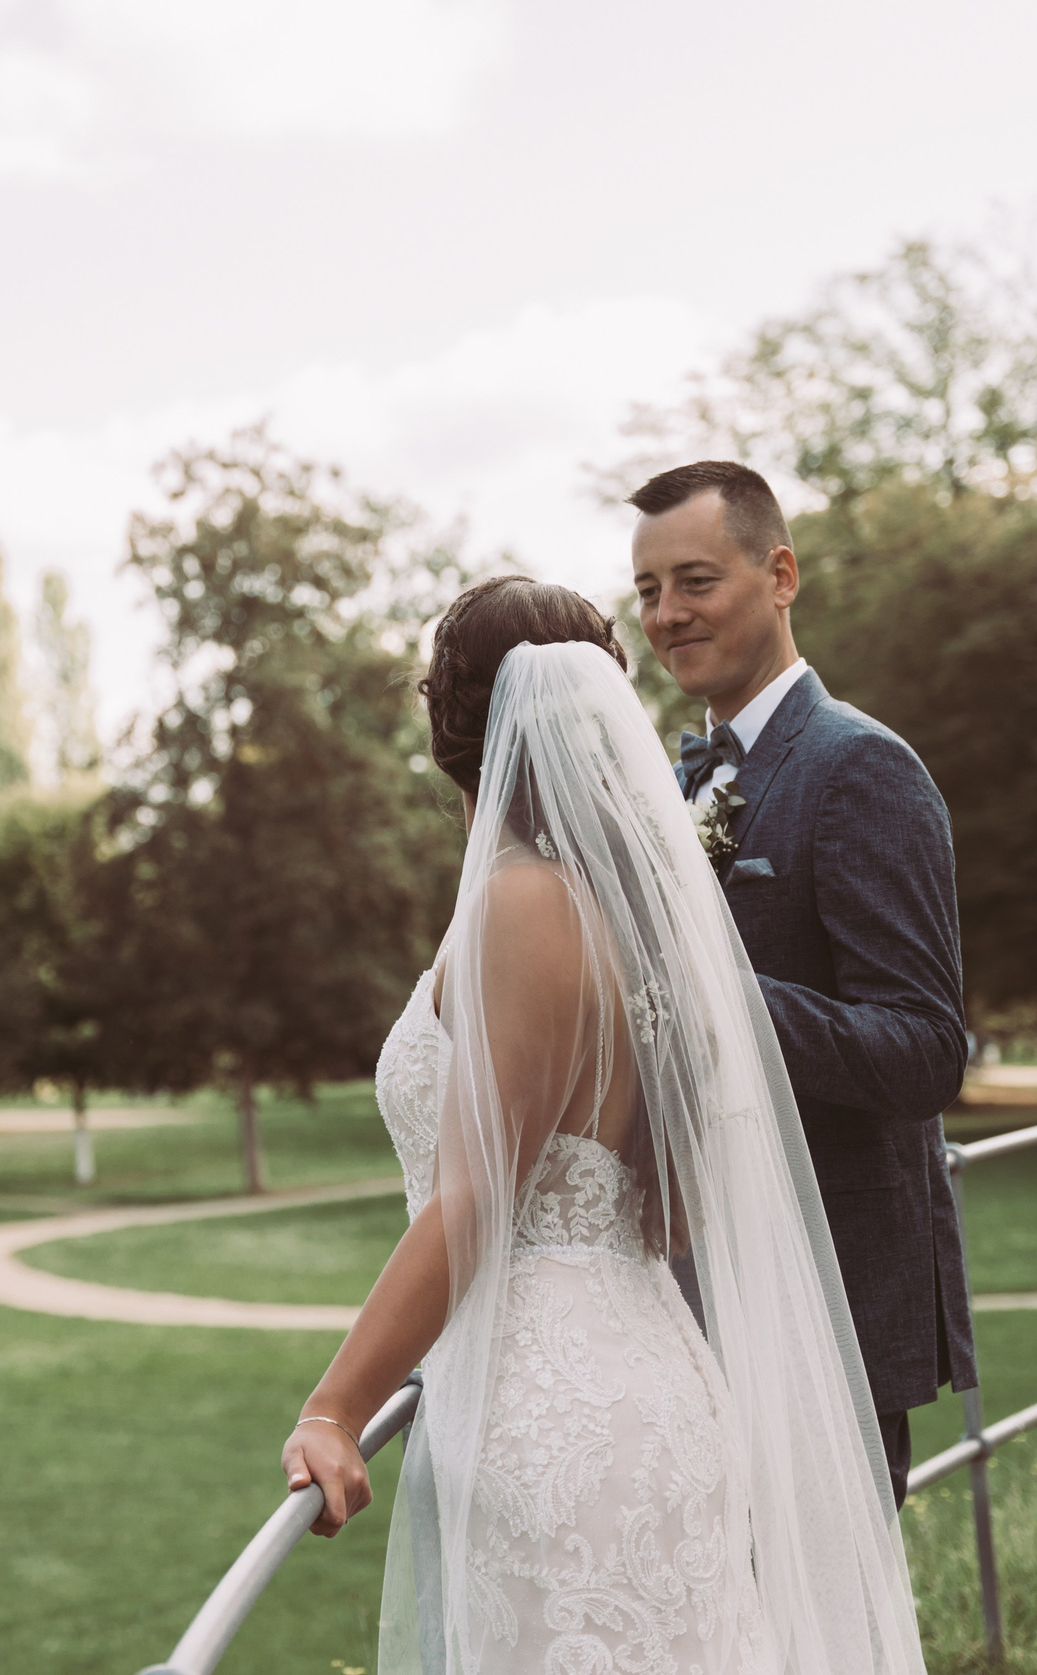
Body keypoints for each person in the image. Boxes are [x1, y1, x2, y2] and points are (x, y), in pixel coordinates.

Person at [281, 579, 926, 1675]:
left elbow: (476, 1195)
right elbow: (665, 1200)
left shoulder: (525, 902)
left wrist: (334, 1406)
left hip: (554, 1415)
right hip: (655, 1378)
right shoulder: (633, 906)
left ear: (451, 720)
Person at [628, 460, 976, 1505]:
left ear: (779, 573)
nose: (666, 614)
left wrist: (715, 1001)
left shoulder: (858, 766)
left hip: (825, 1300)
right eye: (646, 590)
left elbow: (923, 1047)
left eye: (695, 580)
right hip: (701, 1286)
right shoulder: (680, 776)